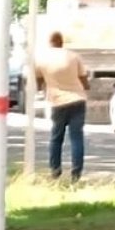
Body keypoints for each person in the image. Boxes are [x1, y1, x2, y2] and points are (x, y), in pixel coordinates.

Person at [34, 31, 90, 181]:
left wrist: (46, 84)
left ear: (50, 42)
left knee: (56, 137)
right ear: (62, 42)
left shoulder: (42, 59)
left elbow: (38, 82)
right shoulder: (73, 56)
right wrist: (84, 86)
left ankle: (55, 171)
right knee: (77, 138)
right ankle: (76, 173)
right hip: (77, 100)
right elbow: (84, 80)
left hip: (58, 102)